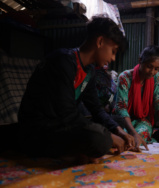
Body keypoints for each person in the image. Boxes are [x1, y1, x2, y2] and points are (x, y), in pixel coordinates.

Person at [17, 16, 135, 164]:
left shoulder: (89, 70)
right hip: (40, 131)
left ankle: (72, 152)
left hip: (61, 126)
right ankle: (63, 154)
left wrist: (120, 132)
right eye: (113, 51)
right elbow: (67, 113)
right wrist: (110, 137)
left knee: (117, 123)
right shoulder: (62, 60)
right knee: (101, 138)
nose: (112, 58)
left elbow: (97, 109)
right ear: (100, 42)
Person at [115, 45, 159, 150]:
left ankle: (133, 142)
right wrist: (133, 133)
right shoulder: (125, 77)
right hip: (123, 121)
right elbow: (121, 108)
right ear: (140, 61)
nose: (152, 72)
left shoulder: (155, 78)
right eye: (149, 66)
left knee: (144, 130)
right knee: (124, 135)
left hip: (140, 120)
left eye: (156, 69)